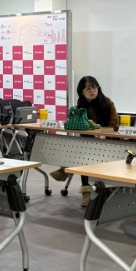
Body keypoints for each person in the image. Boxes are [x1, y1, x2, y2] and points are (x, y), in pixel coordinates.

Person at [50, 76, 119, 207]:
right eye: (88, 88)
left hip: (107, 142)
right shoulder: (78, 107)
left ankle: (66, 168)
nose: (92, 90)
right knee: (83, 149)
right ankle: (86, 191)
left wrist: (104, 135)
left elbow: (114, 125)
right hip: (87, 142)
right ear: (81, 91)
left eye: (94, 87)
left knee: (84, 151)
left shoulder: (107, 103)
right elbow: (76, 126)